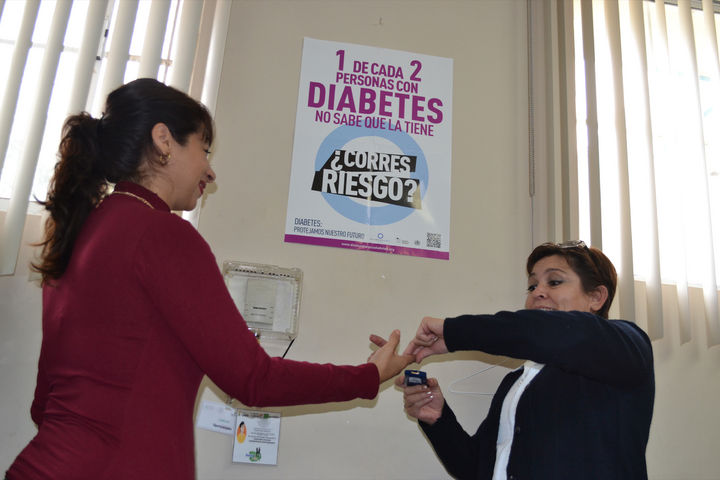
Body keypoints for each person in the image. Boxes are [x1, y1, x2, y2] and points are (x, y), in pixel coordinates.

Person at [6, 78, 413, 480]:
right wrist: (367, 376)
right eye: (204, 149)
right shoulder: (163, 234)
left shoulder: (77, 235)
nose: (210, 171)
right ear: (164, 140)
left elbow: (44, 404)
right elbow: (254, 379)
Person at [383, 241, 655, 479]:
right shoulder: (517, 381)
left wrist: (455, 331)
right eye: (532, 285)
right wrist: (438, 418)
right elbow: (476, 467)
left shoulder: (627, 344)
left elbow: (549, 332)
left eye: (554, 282)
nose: (537, 292)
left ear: (596, 297)